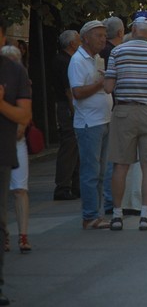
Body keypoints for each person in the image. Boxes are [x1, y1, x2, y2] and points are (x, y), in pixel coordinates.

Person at [104, 14, 147, 231]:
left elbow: (108, 87)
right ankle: (145, 214)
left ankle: (116, 215)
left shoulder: (117, 52)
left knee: (120, 165)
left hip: (124, 111)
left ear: (133, 29)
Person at [68, 20, 113, 230]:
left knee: (100, 172)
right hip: (89, 123)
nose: (103, 39)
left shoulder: (96, 58)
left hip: (103, 120)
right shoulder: (78, 61)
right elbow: (77, 92)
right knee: (91, 172)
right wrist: (99, 85)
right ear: (85, 37)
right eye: (99, 35)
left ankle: (97, 213)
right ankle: (90, 216)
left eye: (104, 35)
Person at [0, 17, 32, 305]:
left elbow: (24, 116)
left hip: (8, 147)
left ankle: (20, 233)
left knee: (16, 194)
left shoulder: (14, 73)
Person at [52, 30, 81, 201]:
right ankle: (63, 186)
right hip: (67, 107)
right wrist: (75, 111)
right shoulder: (64, 61)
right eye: (78, 40)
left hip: (67, 106)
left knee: (74, 146)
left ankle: (75, 185)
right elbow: (68, 91)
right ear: (71, 44)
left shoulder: (63, 59)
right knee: (69, 146)